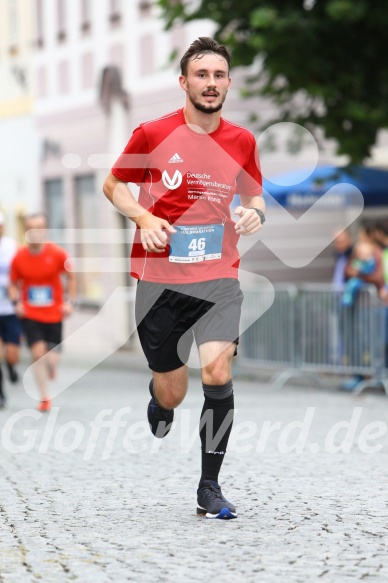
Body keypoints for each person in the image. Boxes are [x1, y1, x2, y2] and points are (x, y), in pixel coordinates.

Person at [103, 37, 264, 519]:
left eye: (218, 75)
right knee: (173, 389)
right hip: (162, 282)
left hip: (218, 277)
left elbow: (254, 196)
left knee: (217, 371)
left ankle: (209, 486)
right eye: (201, 75)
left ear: (228, 83)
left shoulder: (242, 141)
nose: (210, 83)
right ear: (184, 82)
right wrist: (144, 219)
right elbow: (114, 185)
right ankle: (160, 401)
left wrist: (255, 214)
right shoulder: (153, 133)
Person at [9, 213, 76, 411]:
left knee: (52, 357)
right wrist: (16, 303)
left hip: (54, 313)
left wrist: (70, 302)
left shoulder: (58, 254)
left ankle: (51, 366)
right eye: (31, 228)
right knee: (37, 354)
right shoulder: (19, 258)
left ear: (45, 230)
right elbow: (13, 284)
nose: (36, 232)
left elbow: (71, 278)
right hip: (30, 313)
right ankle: (45, 397)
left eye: (40, 227)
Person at [0, 212, 22, 408]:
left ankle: (11, 367)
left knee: (12, 353)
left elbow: (22, 273)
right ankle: (1, 394)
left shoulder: (11, 246)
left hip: (10, 308)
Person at [342, 241, 378, 306]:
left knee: (353, 284)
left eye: (367, 254)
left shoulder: (371, 262)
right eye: (362, 254)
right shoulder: (357, 261)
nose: (364, 256)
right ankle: (348, 297)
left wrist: (360, 270)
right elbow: (350, 269)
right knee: (352, 283)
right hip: (359, 282)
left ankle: (348, 297)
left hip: (366, 283)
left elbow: (370, 272)